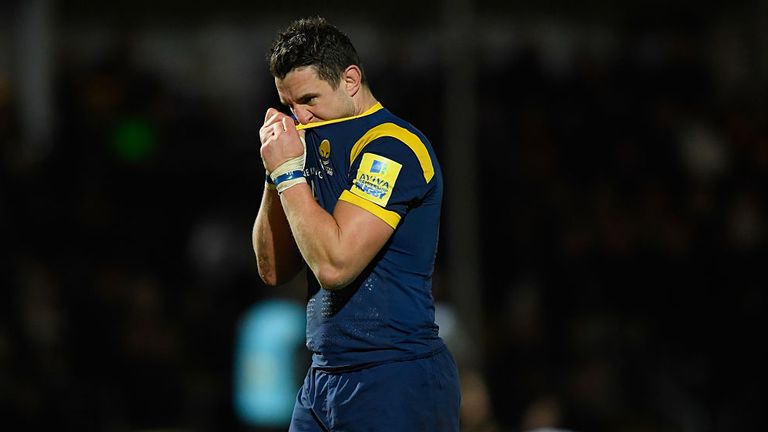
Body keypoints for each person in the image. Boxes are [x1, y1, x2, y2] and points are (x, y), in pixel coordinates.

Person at [252, 16, 460, 431]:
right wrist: (275, 173)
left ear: (350, 80)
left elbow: (335, 266)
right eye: (290, 105)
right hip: (323, 376)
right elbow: (273, 270)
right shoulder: (309, 147)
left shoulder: (392, 147)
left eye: (310, 99)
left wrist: (290, 174)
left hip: (393, 375)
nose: (301, 118)